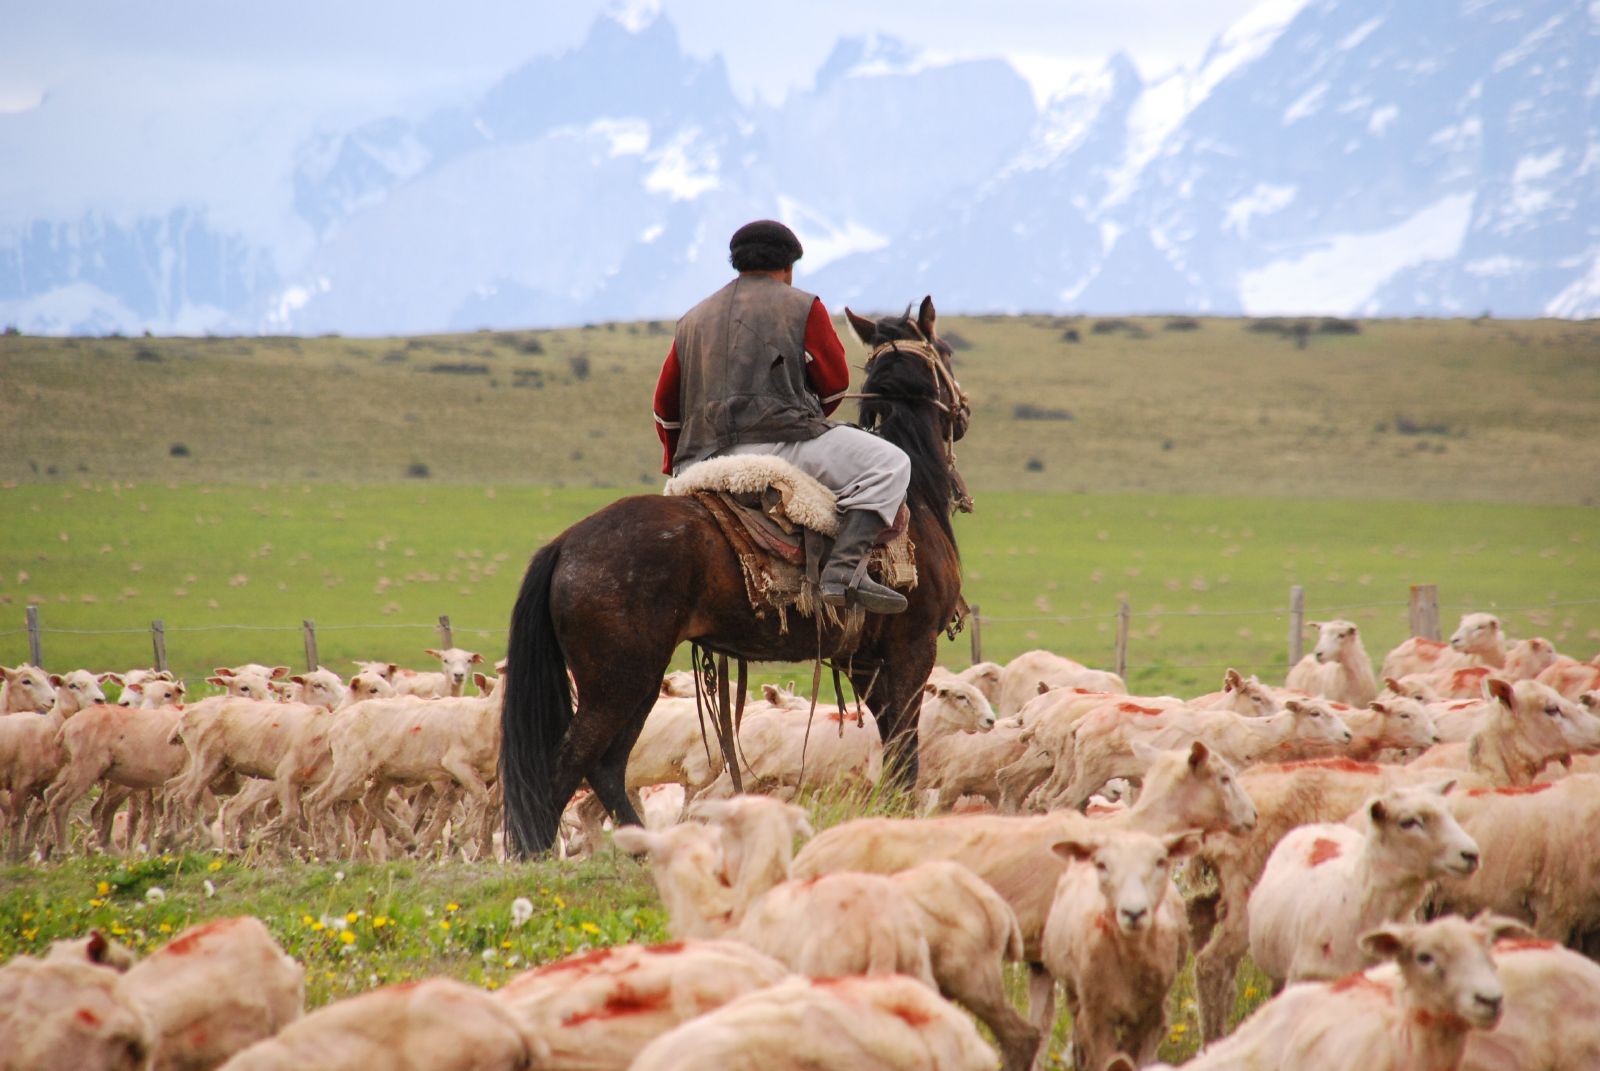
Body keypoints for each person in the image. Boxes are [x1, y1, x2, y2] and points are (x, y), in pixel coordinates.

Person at [652, 219, 911, 615]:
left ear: (735, 263)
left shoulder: (691, 319)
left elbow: (665, 408)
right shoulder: (803, 306)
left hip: (702, 456)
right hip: (783, 443)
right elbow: (835, 386)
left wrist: (679, 464)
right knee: (892, 462)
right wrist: (806, 419)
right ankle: (842, 572)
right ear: (790, 266)